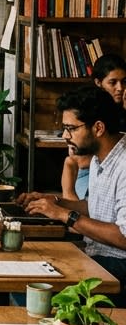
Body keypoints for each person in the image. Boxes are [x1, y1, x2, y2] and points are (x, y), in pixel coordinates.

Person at [21, 85, 126, 301]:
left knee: (30, 293)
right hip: (96, 255)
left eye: (71, 128)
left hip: (119, 267)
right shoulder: (99, 156)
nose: (65, 136)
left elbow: (124, 236)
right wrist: (56, 202)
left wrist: (64, 216)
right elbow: (96, 207)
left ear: (98, 128)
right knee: (25, 273)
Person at [61, 52, 126, 200]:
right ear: (98, 83)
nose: (120, 88)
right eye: (113, 82)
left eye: (124, 82)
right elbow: (80, 160)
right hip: (88, 170)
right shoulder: (86, 109)